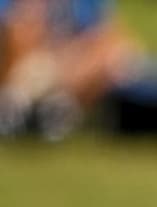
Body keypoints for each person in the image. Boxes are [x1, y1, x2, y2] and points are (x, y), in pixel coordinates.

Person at [0, 0, 138, 140]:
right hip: (25, 64)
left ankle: (53, 110)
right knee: (24, 23)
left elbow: (104, 32)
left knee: (115, 48)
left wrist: (66, 57)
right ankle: (17, 104)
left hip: (68, 66)